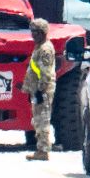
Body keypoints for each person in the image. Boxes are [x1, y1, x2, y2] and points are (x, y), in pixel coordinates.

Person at [22, 18, 57, 161]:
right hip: (37, 89)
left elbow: (46, 73)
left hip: (43, 91)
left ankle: (43, 151)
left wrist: (40, 91)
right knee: (38, 119)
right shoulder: (39, 47)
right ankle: (41, 149)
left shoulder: (44, 49)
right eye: (32, 32)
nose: (33, 35)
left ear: (42, 33)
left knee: (42, 120)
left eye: (35, 32)